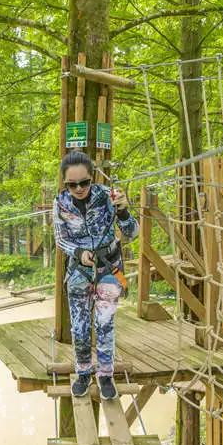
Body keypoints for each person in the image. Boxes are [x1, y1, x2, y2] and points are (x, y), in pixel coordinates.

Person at [52, 151, 139, 399]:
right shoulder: (60, 204)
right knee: (79, 327)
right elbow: (61, 240)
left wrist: (123, 212)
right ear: (65, 183)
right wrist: (79, 253)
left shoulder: (109, 197)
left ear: (92, 178)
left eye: (84, 182)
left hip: (109, 268)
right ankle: (82, 372)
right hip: (79, 272)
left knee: (104, 323)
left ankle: (105, 375)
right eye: (72, 184)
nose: (79, 188)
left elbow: (132, 233)